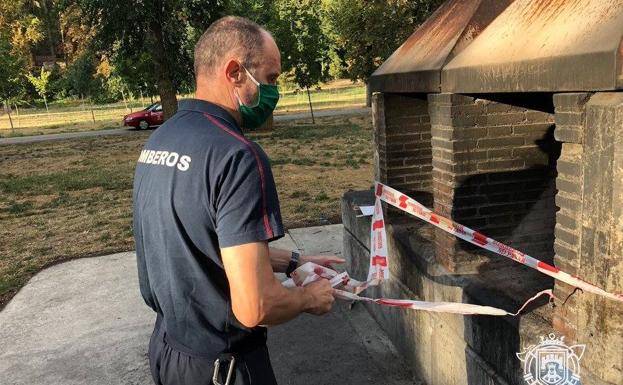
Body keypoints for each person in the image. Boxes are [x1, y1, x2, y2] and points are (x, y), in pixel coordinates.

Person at [133, 16, 342, 385]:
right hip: (222, 368)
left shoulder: (161, 140)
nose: (274, 91)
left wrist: (296, 260)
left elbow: (200, 244)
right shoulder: (238, 156)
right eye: (271, 78)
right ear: (234, 72)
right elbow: (255, 306)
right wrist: (310, 297)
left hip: (168, 351)